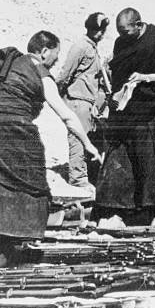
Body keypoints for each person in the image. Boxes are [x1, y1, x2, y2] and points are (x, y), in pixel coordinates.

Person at [0, 31, 100, 266]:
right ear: (44, 52)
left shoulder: (2, 65)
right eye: (55, 57)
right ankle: (3, 243)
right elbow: (67, 117)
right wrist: (88, 145)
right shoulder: (40, 73)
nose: (56, 62)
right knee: (26, 173)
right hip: (5, 129)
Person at [93, 8, 155, 226]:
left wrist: (146, 77)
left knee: (151, 163)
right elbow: (119, 74)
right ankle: (117, 209)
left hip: (153, 111)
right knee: (120, 159)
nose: (122, 37)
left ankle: (153, 212)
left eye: (126, 32)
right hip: (127, 111)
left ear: (139, 24)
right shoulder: (122, 42)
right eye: (119, 33)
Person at [56, 12, 110, 189]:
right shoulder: (81, 47)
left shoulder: (92, 48)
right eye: (97, 30)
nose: (100, 34)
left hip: (87, 102)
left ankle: (83, 175)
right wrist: (57, 95)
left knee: (86, 138)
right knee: (78, 139)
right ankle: (78, 179)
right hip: (78, 100)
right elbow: (65, 73)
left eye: (102, 30)